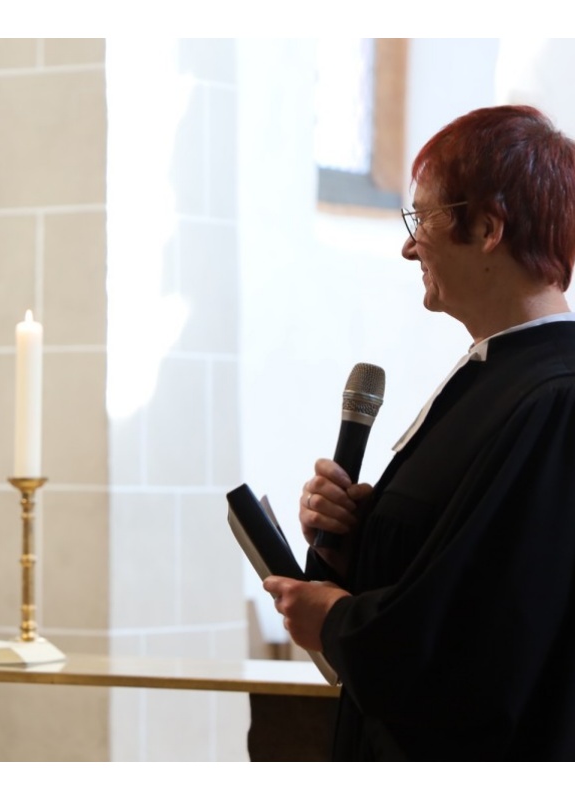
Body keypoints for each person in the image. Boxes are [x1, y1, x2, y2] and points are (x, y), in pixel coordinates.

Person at [264, 105, 575, 760]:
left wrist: (338, 621)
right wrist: (360, 542)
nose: (409, 245)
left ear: (488, 227)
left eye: (422, 219)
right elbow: (460, 560)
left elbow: (488, 635)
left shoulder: (555, 398)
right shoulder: (494, 376)